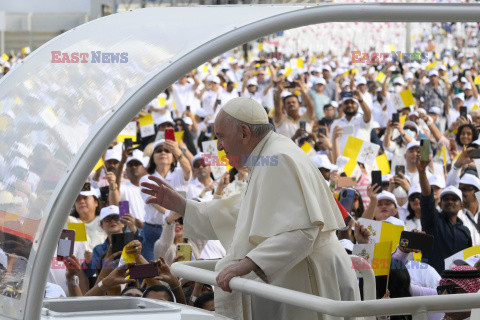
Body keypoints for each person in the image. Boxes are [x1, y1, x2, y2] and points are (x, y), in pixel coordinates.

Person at [142, 97, 360, 320]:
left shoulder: (278, 158)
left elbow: (304, 230)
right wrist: (183, 206)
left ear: (244, 133)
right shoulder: (268, 155)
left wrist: (248, 263)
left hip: (310, 281)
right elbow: (247, 212)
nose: (218, 145)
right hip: (298, 279)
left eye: (221, 136)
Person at [418, 157, 472, 273]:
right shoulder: (432, 220)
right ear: (440, 204)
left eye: (454, 199)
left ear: (461, 206)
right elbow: (427, 197)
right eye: (446, 199)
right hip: (433, 284)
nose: (450, 201)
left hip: (458, 285)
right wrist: (422, 171)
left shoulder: (465, 231)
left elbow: (469, 261)